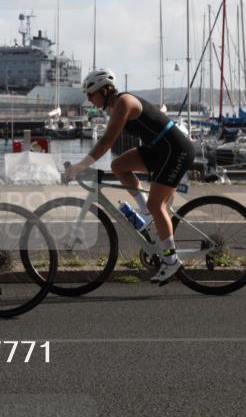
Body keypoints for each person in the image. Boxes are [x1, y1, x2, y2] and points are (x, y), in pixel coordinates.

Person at [66, 68, 196, 285]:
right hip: (159, 149)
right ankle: (144, 211)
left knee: (158, 206)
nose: (89, 100)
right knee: (119, 166)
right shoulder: (116, 105)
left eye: (91, 94)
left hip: (176, 151)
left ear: (106, 90)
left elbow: (106, 142)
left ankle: (171, 260)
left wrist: (80, 166)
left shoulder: (124, 103)